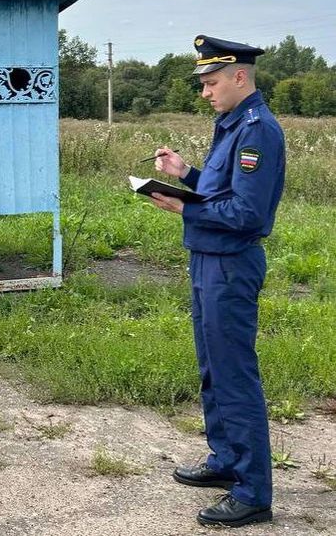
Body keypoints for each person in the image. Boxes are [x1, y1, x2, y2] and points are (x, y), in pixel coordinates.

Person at [151, 35, 285, 528]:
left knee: (235, 377)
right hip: (209, 260)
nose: (205, 91)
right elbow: (222, 190)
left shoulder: (258, 131)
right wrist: (184, 173)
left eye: (210, 82)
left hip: (231, 264)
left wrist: (184, 205)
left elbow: (247, 213)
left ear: (239, 76)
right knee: (213, 370)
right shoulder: (230, 125)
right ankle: (227, 459)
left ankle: (253, 492)